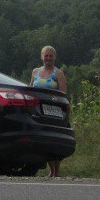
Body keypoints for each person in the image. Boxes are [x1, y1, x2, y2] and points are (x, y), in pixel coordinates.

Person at [31, 45, 67, 178]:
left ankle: (56, 172)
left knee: (54, 141)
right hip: (37, 111)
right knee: (44, 141)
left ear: (54, 57)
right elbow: (30, 88)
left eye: (51, 56)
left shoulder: (58, 73)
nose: (48, 58)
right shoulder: (35, 72)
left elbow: (63, 93)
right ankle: (51, 170)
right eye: (46, 55)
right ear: (42, 57)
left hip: (54, 111)